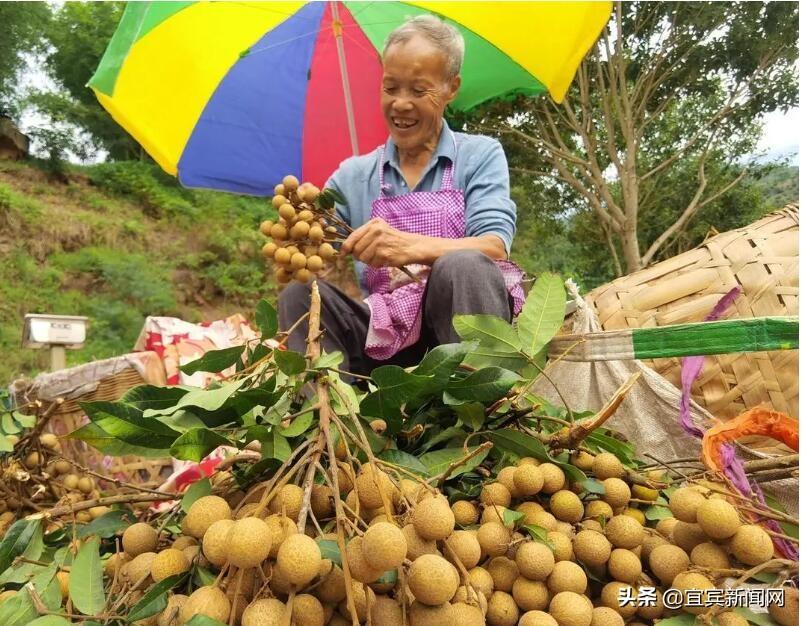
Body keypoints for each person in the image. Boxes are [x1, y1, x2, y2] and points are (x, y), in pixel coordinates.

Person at [279, 15, 524, 376]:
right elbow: (312, 240)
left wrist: (410, 247)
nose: (401, 104)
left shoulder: (479, 155)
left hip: (461, 334)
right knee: (300, 297)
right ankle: (331, 420)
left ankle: (481, 408)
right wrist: (295, 239)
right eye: (391, 88)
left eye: (418, 90)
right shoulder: (353, 176)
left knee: (466, 264)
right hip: (387, 338)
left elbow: (494, 247)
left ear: (451, 88)